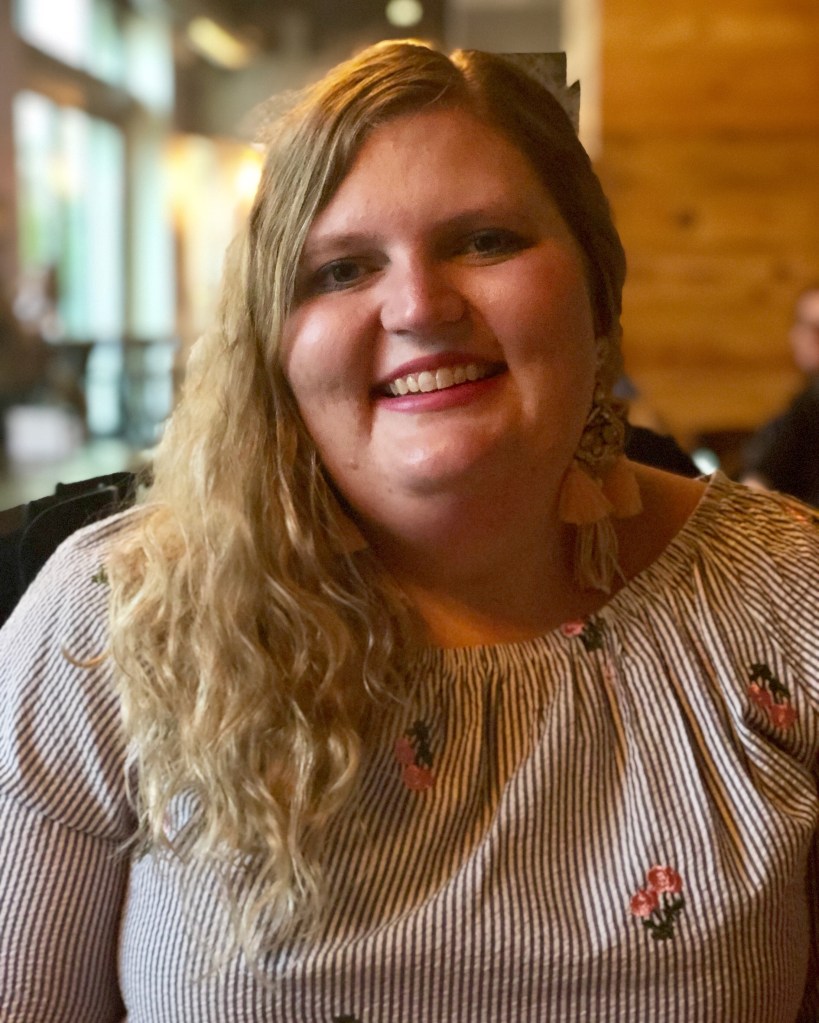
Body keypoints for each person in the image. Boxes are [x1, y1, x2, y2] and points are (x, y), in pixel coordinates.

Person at [1, 40, 817, 1023]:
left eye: (486, 241)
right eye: (343, 268)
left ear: (598, 289)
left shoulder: (788, 594)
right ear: (272, 342)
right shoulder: (110, 626)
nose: (420, 306)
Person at [742, 283, 819, 505]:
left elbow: (757, 486)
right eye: (806, 326)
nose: (813, 338)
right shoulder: (803, 402)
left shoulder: (812, 401)